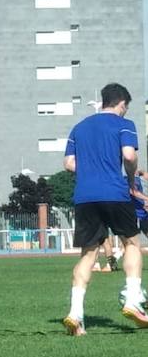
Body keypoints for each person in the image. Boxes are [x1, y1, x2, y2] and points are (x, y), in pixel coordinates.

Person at [61, 82, 148, 336]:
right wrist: (131, 180)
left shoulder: (79, 128)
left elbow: (68, 163)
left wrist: (90, 171)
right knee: (131, 243)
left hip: (85, 197)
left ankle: (75, 315)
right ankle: (133, 299)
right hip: (114, 193)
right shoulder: (124, 125)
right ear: (121, 103)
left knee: (88, 255)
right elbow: (130, 157)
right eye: (126, 107)